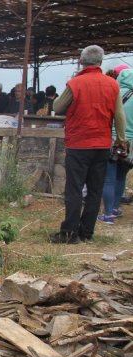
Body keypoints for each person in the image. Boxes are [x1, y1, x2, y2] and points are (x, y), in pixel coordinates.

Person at [49, 45, 126, 244]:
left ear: (82, 61)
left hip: (78, 144)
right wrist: (121, 140)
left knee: (74, 189)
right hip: (101, 144)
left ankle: (69, 233)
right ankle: (86, 232)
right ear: (100, 62)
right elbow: (119, 115)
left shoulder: (76, 83)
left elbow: (57, 107)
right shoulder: (112, 84)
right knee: (95, 190)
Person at [99, 68, 133, 224]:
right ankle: (115, 207)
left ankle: (107, 214)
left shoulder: (114, 93)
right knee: (121, 176)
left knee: (109, 179)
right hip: (131, 144)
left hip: (113, 140)